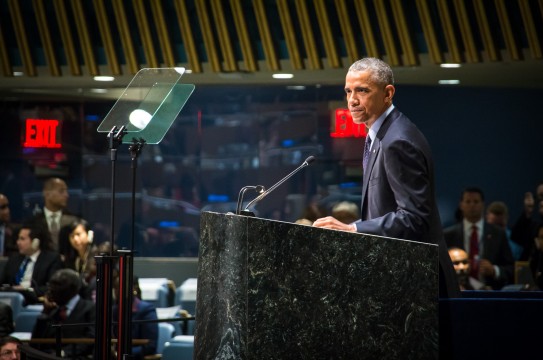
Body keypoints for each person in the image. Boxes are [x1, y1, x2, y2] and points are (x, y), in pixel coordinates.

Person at [312, 57, 459, 298]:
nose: (352, 100)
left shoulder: (397, 141)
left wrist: (353, 229)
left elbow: (414, 219)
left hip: (419, 284)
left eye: (362, 90)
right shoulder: (381, 134)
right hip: (401, 277)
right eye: (348, 91)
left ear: (388, 93)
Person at [443, 187, 514, 290]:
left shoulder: (498, 234)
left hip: (491, 294)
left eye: (476, 201)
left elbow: (511, 268)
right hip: (458, 294)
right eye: (468, 201)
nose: (472, 205)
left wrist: (494, 270)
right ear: (461, 205)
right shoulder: (448, 235)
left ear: (483, 204)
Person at [31, 268, 95, 359]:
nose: (51, 290)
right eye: (51, 284)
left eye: (58, 285)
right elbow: (35, 343)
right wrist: (45, 313)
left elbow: (91, 339)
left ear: (73, 289)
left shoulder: (90, 309)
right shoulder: (52, 311)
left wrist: (63, 353)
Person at [0, 223, 63, 302]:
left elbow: (51, 287)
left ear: (35, 242)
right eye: (18, 239)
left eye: (22, 239)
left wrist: (27, 290)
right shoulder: (14, 259)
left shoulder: (51, 259)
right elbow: (3, 283)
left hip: (34, 300)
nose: (18, 242)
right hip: (11, 299)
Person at [26, 177, 77, 253]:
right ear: (47, 194)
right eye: (61, 191)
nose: (67, 195)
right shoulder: (32, 223)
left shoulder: (74, 221)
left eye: (66, 191)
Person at [112, 276, 158, 359]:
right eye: (115, 287)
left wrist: (122, 354)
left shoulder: (146, 310)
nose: (117, 291)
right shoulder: (114, 310)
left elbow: (150, 345)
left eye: (120, 287)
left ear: (134, 289)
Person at [511, 182, 543, 261]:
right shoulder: (535, 227)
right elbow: (516, 237)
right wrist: (527, 213)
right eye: (539, 197)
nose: (541, 202)